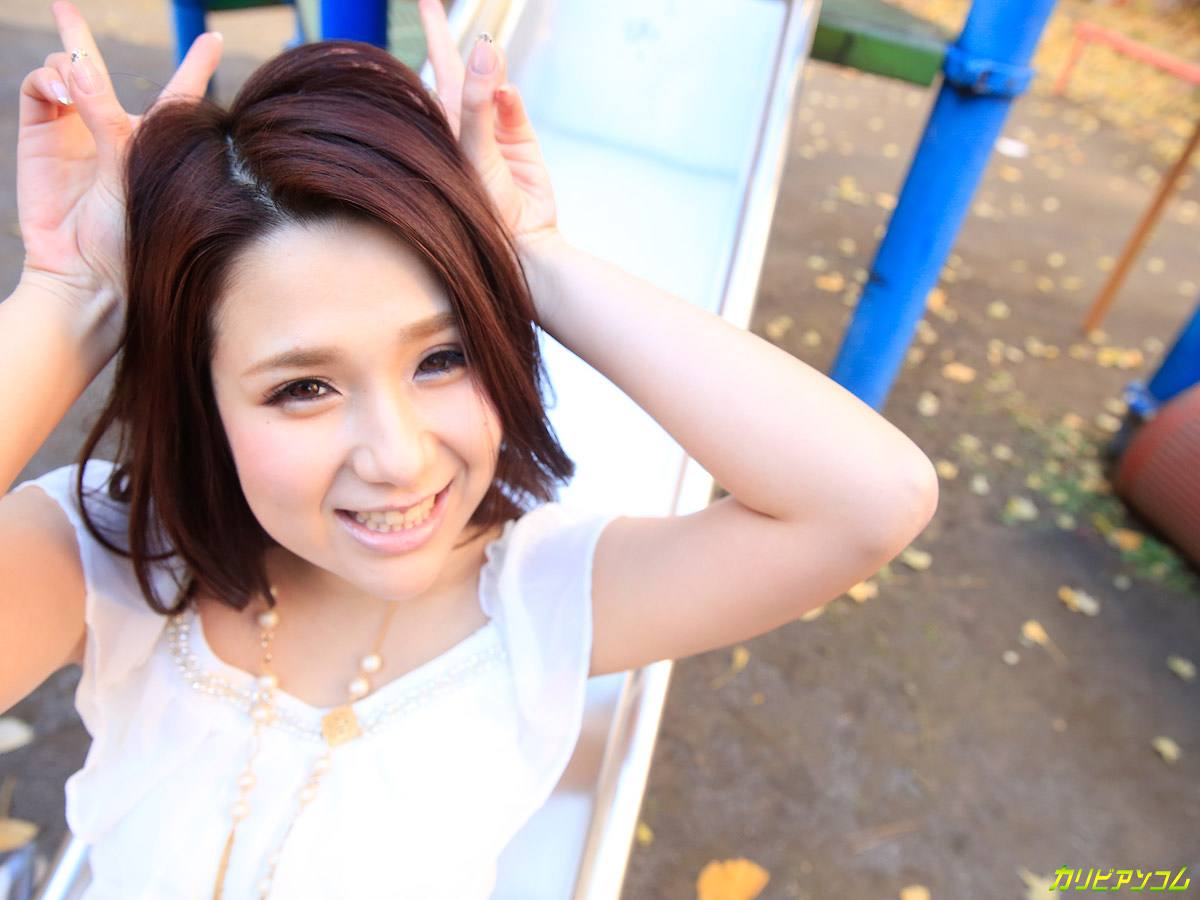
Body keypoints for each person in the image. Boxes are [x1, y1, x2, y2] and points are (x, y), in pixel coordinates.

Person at [0, 1, 939, 896]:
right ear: (202, 398)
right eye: (303, 388)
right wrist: (73, 297)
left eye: (443, 357)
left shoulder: (540, 602)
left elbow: (872, 497)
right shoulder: (109, 560)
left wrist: (529, 253)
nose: (399, 459)